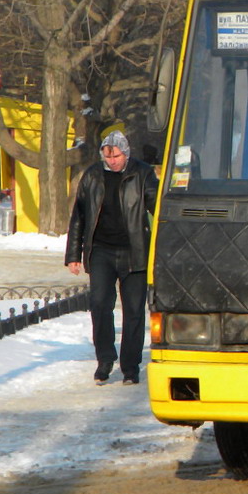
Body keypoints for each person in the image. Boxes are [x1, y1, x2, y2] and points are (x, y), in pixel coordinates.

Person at [65, 131, 159, 385]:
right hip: (101, 251)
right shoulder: (93, 175)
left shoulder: (143, 173)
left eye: (116, 156)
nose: (112, 161)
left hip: (134, 252)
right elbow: (79, 217)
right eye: (108, 157)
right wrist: (74, 254)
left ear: (126, 154)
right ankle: (105, 360)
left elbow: (157, 206)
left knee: (134, 312)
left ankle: (130, 367)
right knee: (99, 305)